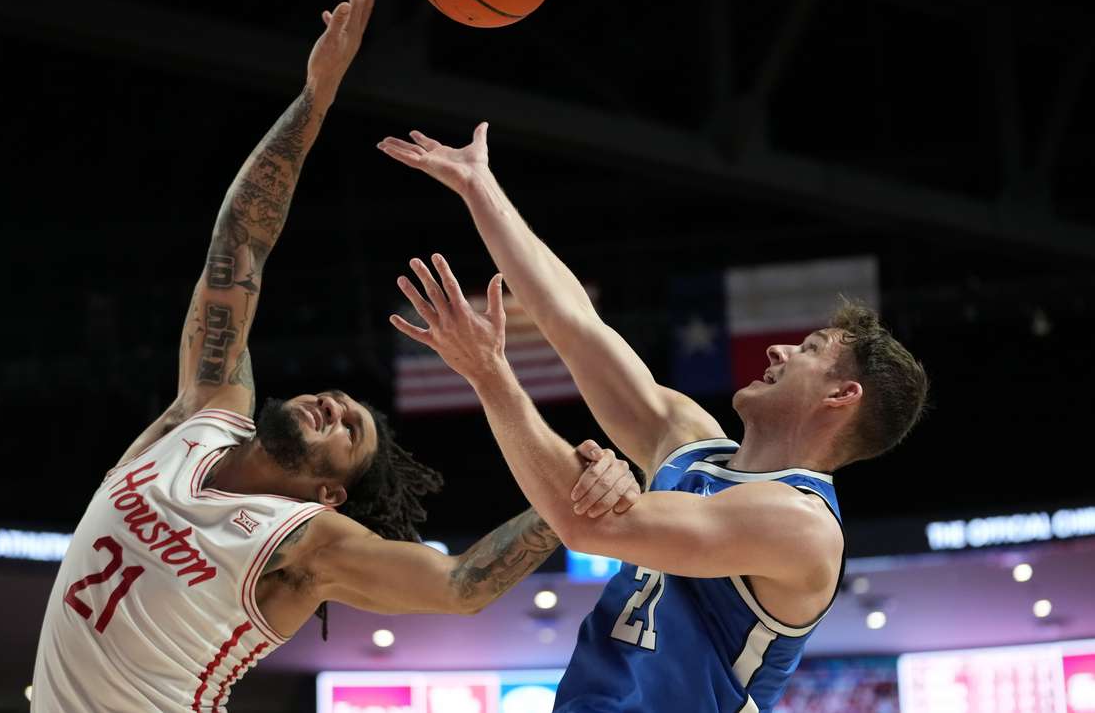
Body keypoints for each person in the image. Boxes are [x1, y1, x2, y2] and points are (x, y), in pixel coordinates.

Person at [31, 0, 640, 713]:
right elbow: (240, 245)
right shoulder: (202, 409)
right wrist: (315, 96)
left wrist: (571, 496)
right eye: (347, 404)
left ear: (329, 493)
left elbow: (460, 585)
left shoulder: (307, 544)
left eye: (349, 431)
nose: (337, 405)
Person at [377, 123, 929, 712]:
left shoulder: (803, 526)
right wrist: (479, 187)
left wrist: (490, 375)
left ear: (841, 397)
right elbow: (573, 322)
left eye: (810, 349)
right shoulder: (690, 441)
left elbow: (585, 524)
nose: (779, 351)